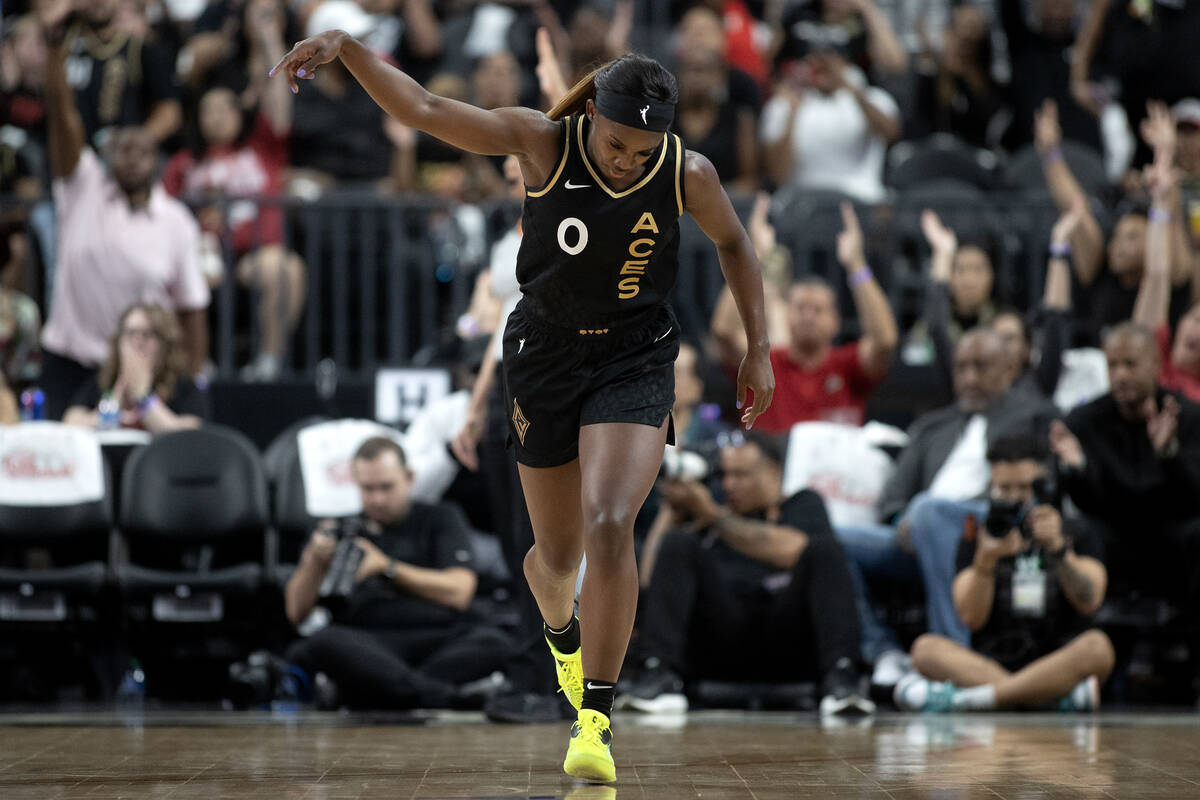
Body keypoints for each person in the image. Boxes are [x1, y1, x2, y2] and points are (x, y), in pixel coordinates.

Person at [272, 31, 773, 782]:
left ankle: (595, 718)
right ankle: (562, 635)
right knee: (553, 562)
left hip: (636, 353)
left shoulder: (686, 172)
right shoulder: (541, 143)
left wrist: (757, 347)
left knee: (612, 525)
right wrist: (349, 50)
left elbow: (735, 245)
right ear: (592, 118)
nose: (627, 161)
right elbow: (427, 107)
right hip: (544, 353)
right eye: (616, 145)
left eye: (643, 152)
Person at [835, 330, 1056, 685]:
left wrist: (925, 513)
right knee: (831, 540)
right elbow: (893, 498)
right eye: (962, 368)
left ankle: (952, 660)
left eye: (981, 367)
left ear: (1010, 368)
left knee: (929, 510)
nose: (969, 378)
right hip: (915, 533)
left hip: (995, 528)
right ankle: (884, 653)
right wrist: (901, 518)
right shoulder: (931, 426)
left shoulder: (1036, 418)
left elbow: (1039, 487)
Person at [625, 431, 874, 717]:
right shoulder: (705, 513)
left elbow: (794, 550)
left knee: (826, 549)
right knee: (677, 543)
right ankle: (659, 674)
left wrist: (714, 515)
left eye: (741, 475)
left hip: (788, 635)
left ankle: (842, 677)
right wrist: (671, 513)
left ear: (774, 473)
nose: (729, 485)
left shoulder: (802, 504)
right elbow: (647, 582)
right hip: (722, 634)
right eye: (725, 475)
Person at [38, 9, 210, 420]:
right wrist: (54, 56)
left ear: (157, 160)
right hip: (71, 357)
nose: (132, 158)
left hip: (142, 364)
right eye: (123, 149)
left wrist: (195, 380)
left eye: (143, 150)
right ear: (108, 155)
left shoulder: (176, 222)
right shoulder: (83, 188)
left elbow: (192, 308)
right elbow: (64, 121)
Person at [283, 437, 512, 710]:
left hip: (437, 636)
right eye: (367, 489)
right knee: (323, 642)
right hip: (368, 641)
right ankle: (444, 697)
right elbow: (297, 614)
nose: (377, 499)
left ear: (409, 477)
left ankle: (385, 692)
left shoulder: (440, 517)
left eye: (386, 487)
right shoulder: (339, 530)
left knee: (495, 642)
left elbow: (460, 592)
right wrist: (314, 561)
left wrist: (386, 567)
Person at [894, 428, 1113, 712]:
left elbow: (1090, 600)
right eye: (1004, 489)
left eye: (1024, 488)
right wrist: (985, 561)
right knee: (925, 649)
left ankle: (980, 699)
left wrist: (1059, 550)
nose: (1014, 498)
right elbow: (970, 618)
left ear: (1044, 484)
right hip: (990, 662)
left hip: (1058, 660)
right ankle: (1046, 698)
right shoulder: (980, 534)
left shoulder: (1076, 531)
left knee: (1098, 647)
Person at [1050, 323, 1200, 695]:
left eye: (1130, 364)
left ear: (1154, 364)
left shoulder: (1188, 417)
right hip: (1112, 538)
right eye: (1113, 365)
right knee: (1077, 532)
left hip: (1174, 540)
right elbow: (1092, 501)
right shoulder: (1085, 422)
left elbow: (1194, 496)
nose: (1120, 375)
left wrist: (1169, 455)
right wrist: (1076, 470)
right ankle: (1071, 666)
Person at [162, 0, 305, 382]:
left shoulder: (263, 146)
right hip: (201, 255)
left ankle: (268, 364)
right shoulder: (184, 162)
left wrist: (269, 36)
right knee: (172, 271)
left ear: (240, 113)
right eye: (207, 111)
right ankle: (195, 366)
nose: (216, 117)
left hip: (252, 255)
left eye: (224, 109)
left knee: (286, 268)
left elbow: (277, 94)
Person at [1035, 100, 1191, 346]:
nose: (1118, 245)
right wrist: (1050, 154)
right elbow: (1075, 210)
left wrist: (1165, 157)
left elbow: (1169, 222)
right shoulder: (1102, 274)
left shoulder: (1171, 278)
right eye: (1118, 237)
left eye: (1132, 237)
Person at [752, 203, 898, 433]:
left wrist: (856, 264)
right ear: (786, 315)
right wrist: (755, 258)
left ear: (836, 322)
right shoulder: (764, 365)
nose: (808, 317)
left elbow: (884, 340)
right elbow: (724, 332)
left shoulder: (845, 366)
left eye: (818, 310)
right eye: (800, 308)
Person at [915, 207, 1075, 401]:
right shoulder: (969, 392)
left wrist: (1059, 247)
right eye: (995, 338)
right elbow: (938, 328)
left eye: (1010, 338)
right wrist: (943, 254)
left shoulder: (1039, 384)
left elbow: (1055, 318)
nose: (1001, 347)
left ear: (1027, 350)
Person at [61, 303, 208, 433]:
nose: (137, 342)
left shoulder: (183, 385)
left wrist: (143, 397)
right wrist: (114, 402)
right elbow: (70, 423)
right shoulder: (104, 380)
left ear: (165, 345)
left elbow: (188, 435)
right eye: (130, 333)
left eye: (147, 335)